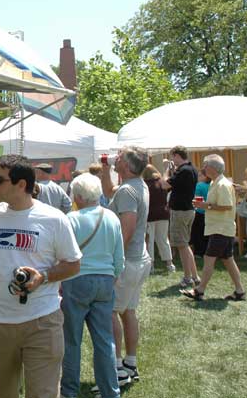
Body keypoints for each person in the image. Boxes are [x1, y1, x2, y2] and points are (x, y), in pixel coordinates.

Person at [0, 154, 81, 398]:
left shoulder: (54, 219)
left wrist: (44, 276)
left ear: (21, 184)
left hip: (42, 322)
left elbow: (73, 265)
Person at [60, 173, 125, 398]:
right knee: (105, 342)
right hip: (106, 280)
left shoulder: (71, 219)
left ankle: (69, 392)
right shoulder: (112, 217)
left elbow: (63, 256)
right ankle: (110, 391)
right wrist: (113, 277)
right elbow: (119, 258)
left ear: (78, 195)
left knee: (71, 342)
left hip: (76, 280)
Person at [100, 146, 151, 387]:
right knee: (127, 311)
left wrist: (114, 263)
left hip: (127, 261)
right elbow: (110, 191)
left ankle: (118, 370)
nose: (115, 158)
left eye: (119, 158)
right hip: (138, 259)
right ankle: (130, 363)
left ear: (128, 166)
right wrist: (104, 169)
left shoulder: (128, 190)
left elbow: (126, 229)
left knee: (110, 312)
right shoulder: (136, 186)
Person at [181, 154, 246, 302]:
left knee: (208, 258)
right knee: (228, 260)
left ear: (212, 168)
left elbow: (227, 205)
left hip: (221, 228)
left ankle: (200, 290)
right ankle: (240, 291)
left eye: (205, 165)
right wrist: (205, 204)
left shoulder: (222, 184)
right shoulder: (215, 182)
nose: (203, 168)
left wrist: (205, 205)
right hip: (221, 227)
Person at [164, 146, 199, 288]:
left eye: (173, 157)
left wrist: (166, 170)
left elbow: (164, 184)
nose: (172, 160)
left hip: (180, 211)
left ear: (177, 156)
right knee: (185, 244)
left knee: (182, 245)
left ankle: (187, 277)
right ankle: (195, 276)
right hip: (188, 210)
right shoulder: (191, 169)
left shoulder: (183, 171)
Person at [143, 165, 174, 273]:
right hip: (163, 214)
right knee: (163, 240)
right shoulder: (162, 182)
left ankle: (151, 266)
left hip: (150, 215)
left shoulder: (144, 185)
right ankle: (170, 264)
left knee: (150, 241)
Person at [190, 171, 211, 256]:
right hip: (210, 212)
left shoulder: (199, 185)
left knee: (198, 233)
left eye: (200, 175)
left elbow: (197, 199)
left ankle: (199, 252)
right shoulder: (212, 185)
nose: (198, 177)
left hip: (200, 212)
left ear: (206, 176)